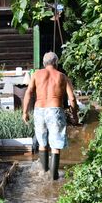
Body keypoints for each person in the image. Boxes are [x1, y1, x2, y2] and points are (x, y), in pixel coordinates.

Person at [22, 52, 78, 180]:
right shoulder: (62, 76)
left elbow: (28, 92)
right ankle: (54, 178)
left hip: (39, 109)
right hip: (55, 110)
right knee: (55, 145)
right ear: (56, 63)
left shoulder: (35, 74)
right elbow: (72, 98)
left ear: (44, 63)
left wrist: (25, 112)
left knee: (42, 143)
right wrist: (75, 116)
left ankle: (44, 173)